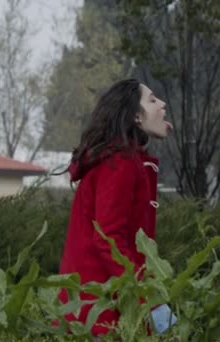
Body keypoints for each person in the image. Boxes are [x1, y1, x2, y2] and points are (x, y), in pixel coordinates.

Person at [57, 79, 173, 335]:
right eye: (152, 100)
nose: (162, 104)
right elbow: (109, 240)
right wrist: (145, 303)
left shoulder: (120, 160)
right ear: (135, 116)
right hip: (102, 313)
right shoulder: (119, 163)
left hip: (97, 308)